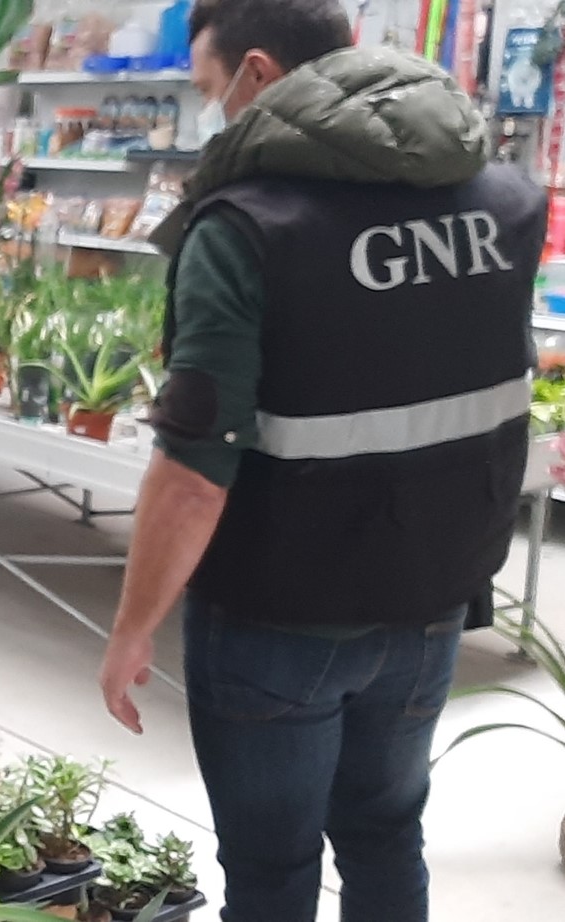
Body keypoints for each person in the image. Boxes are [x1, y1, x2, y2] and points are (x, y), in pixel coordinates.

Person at [98, 2, 544, 921]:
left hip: (277, 612)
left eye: (208, 87)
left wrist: (132, 626)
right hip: (428, 595)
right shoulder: (503, 200)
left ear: (256, 74)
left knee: (271, 868)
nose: (210, 109)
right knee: (386, 837)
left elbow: (190, 474)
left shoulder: (244, 227)